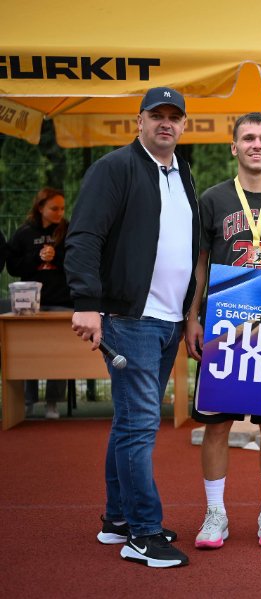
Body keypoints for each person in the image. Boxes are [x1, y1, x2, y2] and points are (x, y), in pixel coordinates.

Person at [66, 87, 198, 568]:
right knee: (140, 427)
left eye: (173, 117)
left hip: (168, 321)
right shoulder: (114, 168)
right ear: (138, 120)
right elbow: (84, 236)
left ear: (183, 125)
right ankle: (143, 533)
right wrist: (87, 303)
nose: (166, 123)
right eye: (156, 115)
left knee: (129, 423)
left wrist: (187, 315)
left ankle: (118, 519)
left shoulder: (183, 172)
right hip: (131, 319)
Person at [183, 112, 261, 550]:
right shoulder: (213, 199)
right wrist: (192, 317)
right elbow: (200, 264)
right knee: (217, 424)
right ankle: (215, 512)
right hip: (224, 325)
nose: (257, 144)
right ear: (233, 147)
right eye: (249, 138)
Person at [7, 187, 72, 419]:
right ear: (41, 207)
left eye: (62, 208)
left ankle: (52, 403)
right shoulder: (24, 233)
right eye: (54, 208)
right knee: (27, 352)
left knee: (59, 353)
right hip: (29, 305)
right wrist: (37, 257)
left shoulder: (68, 230)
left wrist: (57, 257)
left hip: (61, 301)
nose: (59, 213)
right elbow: (13, 267)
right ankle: (27, 401)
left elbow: (77, 262)